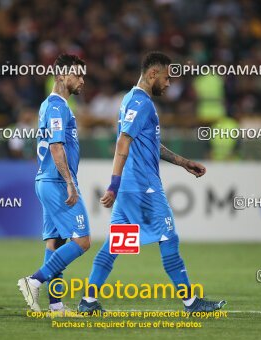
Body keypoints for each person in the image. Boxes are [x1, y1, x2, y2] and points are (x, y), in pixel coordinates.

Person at [77, 52, 226, 313]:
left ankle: (88, 300)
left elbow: (149, 144)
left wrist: (182, 162)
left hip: (131, 187)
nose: (169, 84)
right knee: (168, 238)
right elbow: (123, 141)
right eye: (167, 78)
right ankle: (191, 302)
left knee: (115, 244)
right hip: (143, 187)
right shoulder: (141, 103)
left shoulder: (131, 100)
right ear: (152, 74)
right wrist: (113, 183)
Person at [18, 54, 90, 313]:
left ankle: (56, 304)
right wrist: (70, 183)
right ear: (61, 76)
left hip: (47, 179)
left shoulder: (49, 105)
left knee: (56, 243)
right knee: (82, 241)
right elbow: (57, 147)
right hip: (57, 181)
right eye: (78, 75)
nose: (82, 80)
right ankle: (33, 281)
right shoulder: (58, 106)